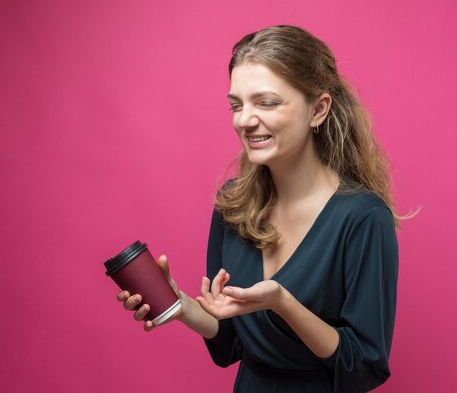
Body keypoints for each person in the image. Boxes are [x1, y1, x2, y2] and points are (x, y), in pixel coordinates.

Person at [117, 25, 400, 393]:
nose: (244, 120)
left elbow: (363, 366)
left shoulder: (363, 217)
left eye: (266, 103)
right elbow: (230, 341)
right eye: (237, 104)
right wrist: (180, 304)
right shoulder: (232, 204)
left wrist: (283, 303)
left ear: (318, 109)